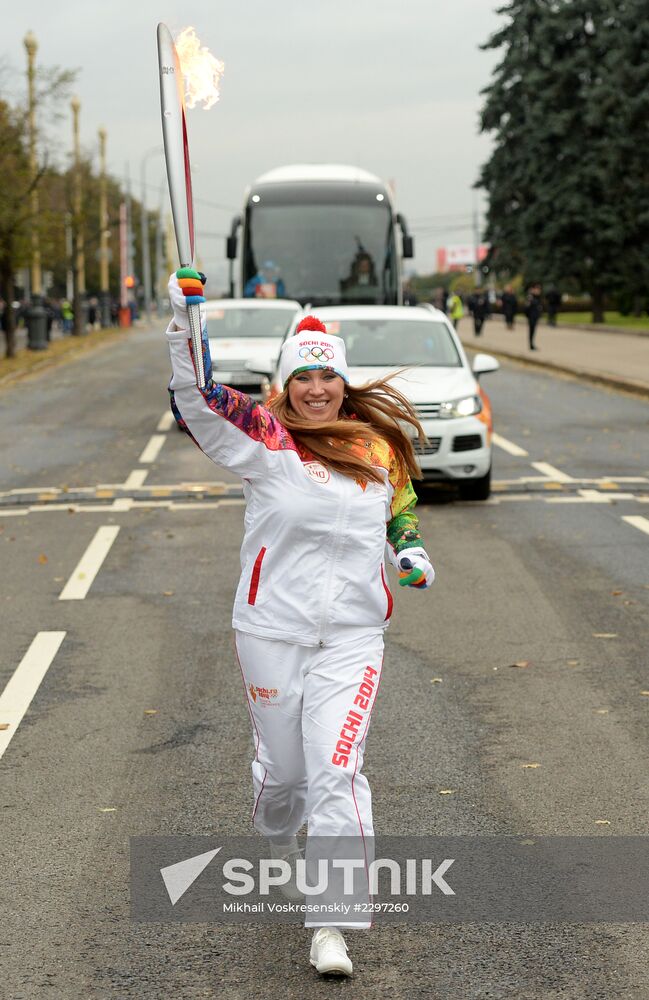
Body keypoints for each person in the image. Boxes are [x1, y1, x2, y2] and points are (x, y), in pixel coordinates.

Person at [166, 268, 434, 978]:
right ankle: (276, 827)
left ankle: (331, 928)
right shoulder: (264, 441)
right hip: (271, 633)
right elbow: (196, 397)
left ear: (343, 384)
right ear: (284, 386)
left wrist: (407, 548)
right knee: (285, 782)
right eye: (303, 380)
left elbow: (399, 504)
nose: (318, 390)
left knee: (337, 772)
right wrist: (185, 322)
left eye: (329, 379)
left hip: (352, 638)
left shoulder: (375, 450)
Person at [524, 283, 543, 350]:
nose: (538, 291)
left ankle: (532, 344)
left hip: (535, 317)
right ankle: (531, 345)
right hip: (531, 317)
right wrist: (528, 316)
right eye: (537, 289)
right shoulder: (530, 297)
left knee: (533, 331)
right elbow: (527, 308)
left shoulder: (537, 297)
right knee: (531, 331)